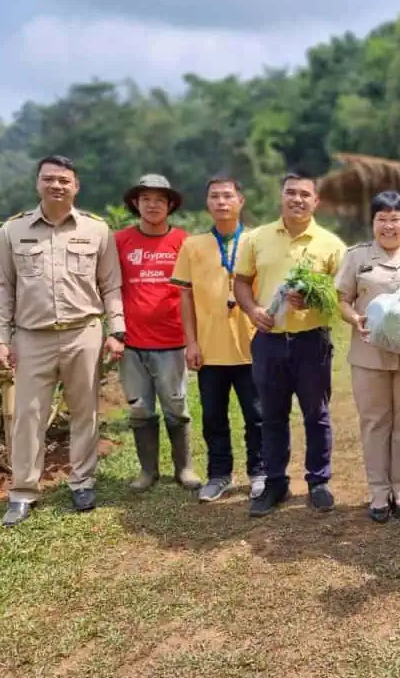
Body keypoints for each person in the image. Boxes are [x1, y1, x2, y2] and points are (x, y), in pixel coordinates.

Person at [0, 154, 125, 527]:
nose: (56, 186)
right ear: (38, 183)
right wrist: (1, 340)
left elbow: (110, 284)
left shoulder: (97, 231)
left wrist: (117, 331)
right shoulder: (13, 232)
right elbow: (3, 290)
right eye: (49, 179)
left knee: (86, 411)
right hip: (32, 337)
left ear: (76, 186)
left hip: (84, 332)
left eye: (64, 180)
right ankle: (23, 492)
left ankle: (82, 482)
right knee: (27, 416)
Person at [233, 172, 346, 517]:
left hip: (312, 342)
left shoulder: (331, 244)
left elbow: (341, 295)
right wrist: (252, 310)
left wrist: (313, 300)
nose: (297, 199)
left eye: (305, 194)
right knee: (272, 415)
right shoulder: (256, 238)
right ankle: (275, 483)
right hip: (268, 340)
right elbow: (240, 282)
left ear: (316, 201)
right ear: (281, 196)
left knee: (317, 414)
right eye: (291, 193)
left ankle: (318, 481)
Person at [335, 191, 400, 522]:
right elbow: (343, 300)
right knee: (375, 422)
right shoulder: (356, 257)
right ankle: (379, 491)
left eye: (395, 218)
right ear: (373, 222)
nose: (388, 225)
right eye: (382, 218)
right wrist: (354, 318)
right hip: (369, 355)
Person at [171, 175, 265, 503]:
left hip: (252, 346)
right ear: (207, 203)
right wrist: (191, 342)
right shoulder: (193, 245)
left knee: (258, 415)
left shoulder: (256, 241)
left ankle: (259, 471)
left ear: (241, 201)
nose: (222, 202)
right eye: (215, 196)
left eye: (228, 196)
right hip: (209, 349)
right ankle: (219, 474)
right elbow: (184, 297)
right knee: (213, 416)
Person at [115, 174, 201, 492]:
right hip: (132, 343)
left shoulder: (183, 241)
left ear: (170, 206)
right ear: (136, 203)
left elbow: (193, 290)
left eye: (160, 200)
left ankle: (185, 469)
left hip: (172, 340)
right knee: (139, 408)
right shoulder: (119, 241)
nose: (152, 205)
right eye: (146, 199)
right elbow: (108, 286)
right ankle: (147, 471)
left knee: (176, 406)